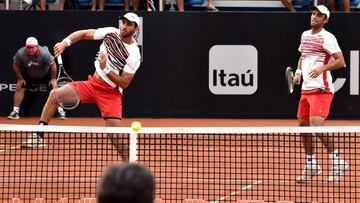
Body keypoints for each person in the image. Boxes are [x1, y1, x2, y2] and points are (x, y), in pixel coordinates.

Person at [21, 13, 142, 162]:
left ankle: (132, 166)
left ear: (136, 28)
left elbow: (124, 82)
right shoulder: (110, 33)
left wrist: (105, 69)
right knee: (55, 95)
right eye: (123, 22)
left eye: (129, 24)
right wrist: (65, 43)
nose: (124, 26)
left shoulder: (134, 54)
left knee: (115, 136)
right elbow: (84, 34)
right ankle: (38, 135)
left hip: (111, 93)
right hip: (92, 84)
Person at [294, 5, 348, 183]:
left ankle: (337, 161)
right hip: (306, 89)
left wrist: (322, 68)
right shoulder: (304, 35)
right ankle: (311, 165)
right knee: (304, 127)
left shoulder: (328, 38)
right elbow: (303, 56)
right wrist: (299, 72)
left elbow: (341, 61)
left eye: (319, 15)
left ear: (325, 20)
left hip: (322, 89)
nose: (314, 16)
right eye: (313, 13)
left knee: (316, 125)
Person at [7, 37, 66, 120]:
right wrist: (20, 78)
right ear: (26, 46)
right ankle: (15, 112)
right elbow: (15, 64)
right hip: (29, 74)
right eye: (28, 47)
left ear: (37, 46)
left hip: (45, 74)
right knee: (20, 86)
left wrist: (53, 79)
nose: (30, 49)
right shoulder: (20, 53)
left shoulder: (44, 53)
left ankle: (61, 111)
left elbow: (53, 65)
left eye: (32, 47)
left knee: (55, 87)